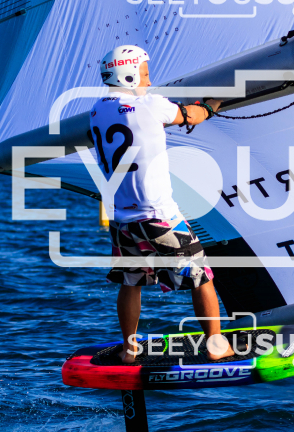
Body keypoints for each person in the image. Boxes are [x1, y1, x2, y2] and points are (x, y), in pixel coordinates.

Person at [89, 45, 232, 363]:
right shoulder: (150, 105)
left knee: (131, 283)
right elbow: (192, 115)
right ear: (128, 76)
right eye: (144, 74)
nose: (149, 81)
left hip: (122, 220)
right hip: (159, 216)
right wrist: (213, 104)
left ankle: (129, 350)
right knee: (202, 276)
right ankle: (216, 346)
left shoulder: (97, 111)